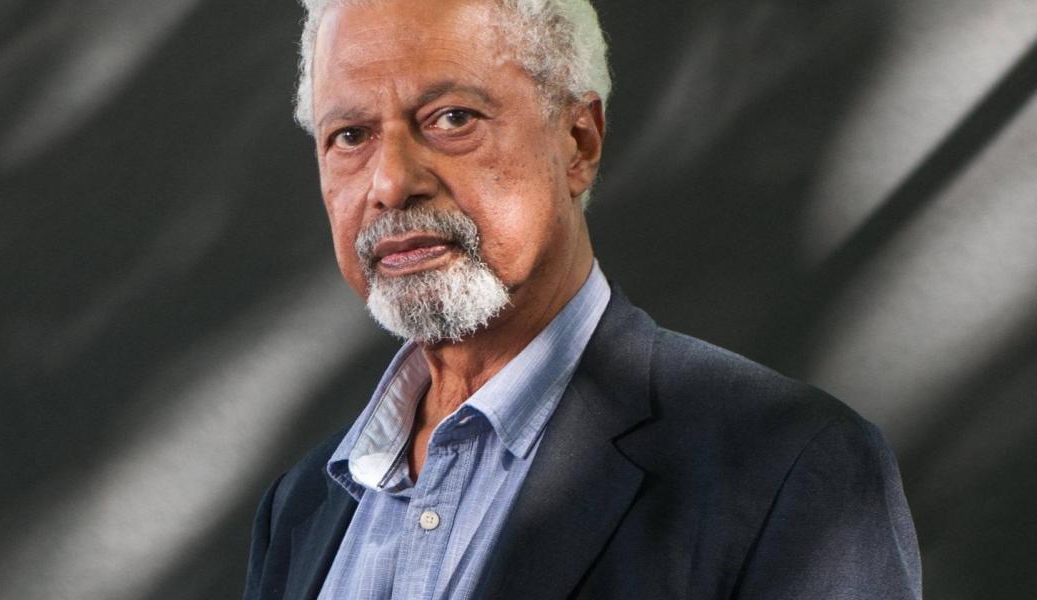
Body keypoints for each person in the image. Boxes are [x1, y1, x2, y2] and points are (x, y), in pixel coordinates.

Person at [244, 0, 922, 598]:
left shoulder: (790, 466)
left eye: (452, 117)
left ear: (579, 142)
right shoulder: (300, 508)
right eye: (350, 136)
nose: (390, 182)